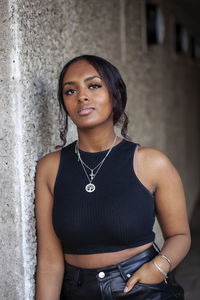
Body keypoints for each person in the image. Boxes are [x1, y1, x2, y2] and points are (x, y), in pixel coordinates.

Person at [35, 55, 191, 300]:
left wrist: (158, 268)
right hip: (76, 292)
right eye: (70, 90)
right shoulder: (50, 167)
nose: (82, 96)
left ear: (115, 94)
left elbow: (180, 236)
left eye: (93, 85)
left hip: (142, 288)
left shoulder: (150, 162)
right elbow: (49, 261)